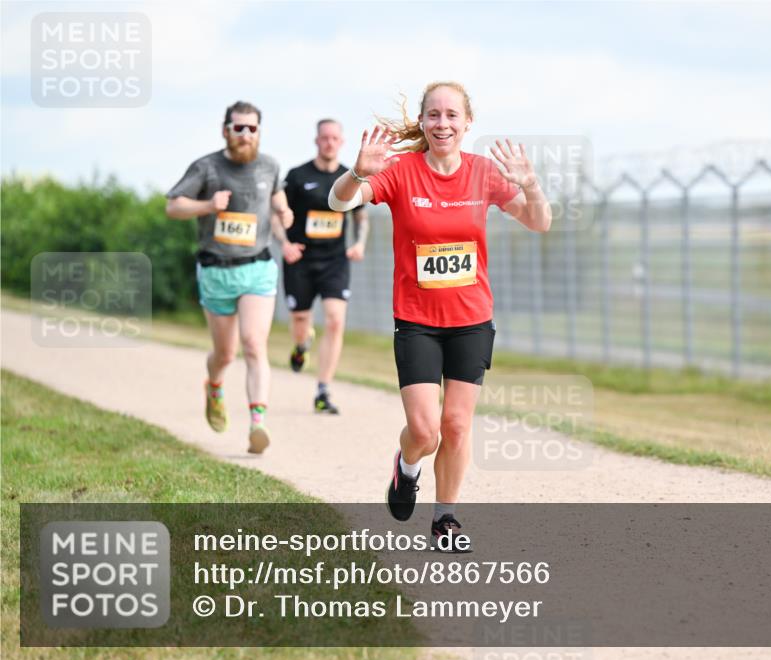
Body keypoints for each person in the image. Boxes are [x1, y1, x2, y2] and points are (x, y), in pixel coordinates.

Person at [329, 81, 551, 551]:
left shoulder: (484, 173)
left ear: (467, 122)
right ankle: (406, 467)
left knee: (456, 426)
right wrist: (356, 172)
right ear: (423, 123)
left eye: (452, 115)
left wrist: (530, 184)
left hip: (471, 318)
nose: (442, 124)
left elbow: (539, 222)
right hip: (416, 320)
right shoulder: (401, 172)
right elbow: (338, 202)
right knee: (426, 430)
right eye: (434, 115)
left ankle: (445, 519)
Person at [165, 100, 292, 454]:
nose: (246, 134)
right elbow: (173, 205)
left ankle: (257, 424)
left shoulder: (270, 165)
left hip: (257, 267)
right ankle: (215, 385)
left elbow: (276, 194)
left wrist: (283, 209)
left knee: (254, 343)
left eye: (252, 128)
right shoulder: (206, 167)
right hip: (216, 270)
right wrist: (207, 205)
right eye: (239, 127)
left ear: (259, 133)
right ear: (226, 130)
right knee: (225, 353)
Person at [277, 119, 369, 414]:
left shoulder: (349, 178)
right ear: (317, 141)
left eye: (334, 138)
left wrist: (360, 243)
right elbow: (278, 214)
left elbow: (360, 217)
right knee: (301, 323)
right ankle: (302, 346)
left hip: (334, 261)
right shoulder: (297, 175)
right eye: (324, 138)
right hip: (300, 260)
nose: (329, 142)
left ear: (342, 142)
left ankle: (323, 390)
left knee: (334, 320)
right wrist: (284, 243)